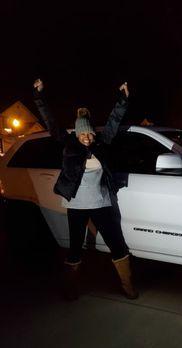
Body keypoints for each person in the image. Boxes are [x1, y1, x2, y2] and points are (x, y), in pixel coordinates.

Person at [33, 78, 138, 300]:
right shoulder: (69, 143)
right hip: (77, 204)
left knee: (116, 242)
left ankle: (127, 285)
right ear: (77, 134)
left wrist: (123, 98)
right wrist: (39, 97)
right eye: (83, 135)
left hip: (101, 203)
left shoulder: (101, 142)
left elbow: (113, 121)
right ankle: (70, 287)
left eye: (90, 134)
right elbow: (51, 123)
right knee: (75, 246)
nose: (87, 138)